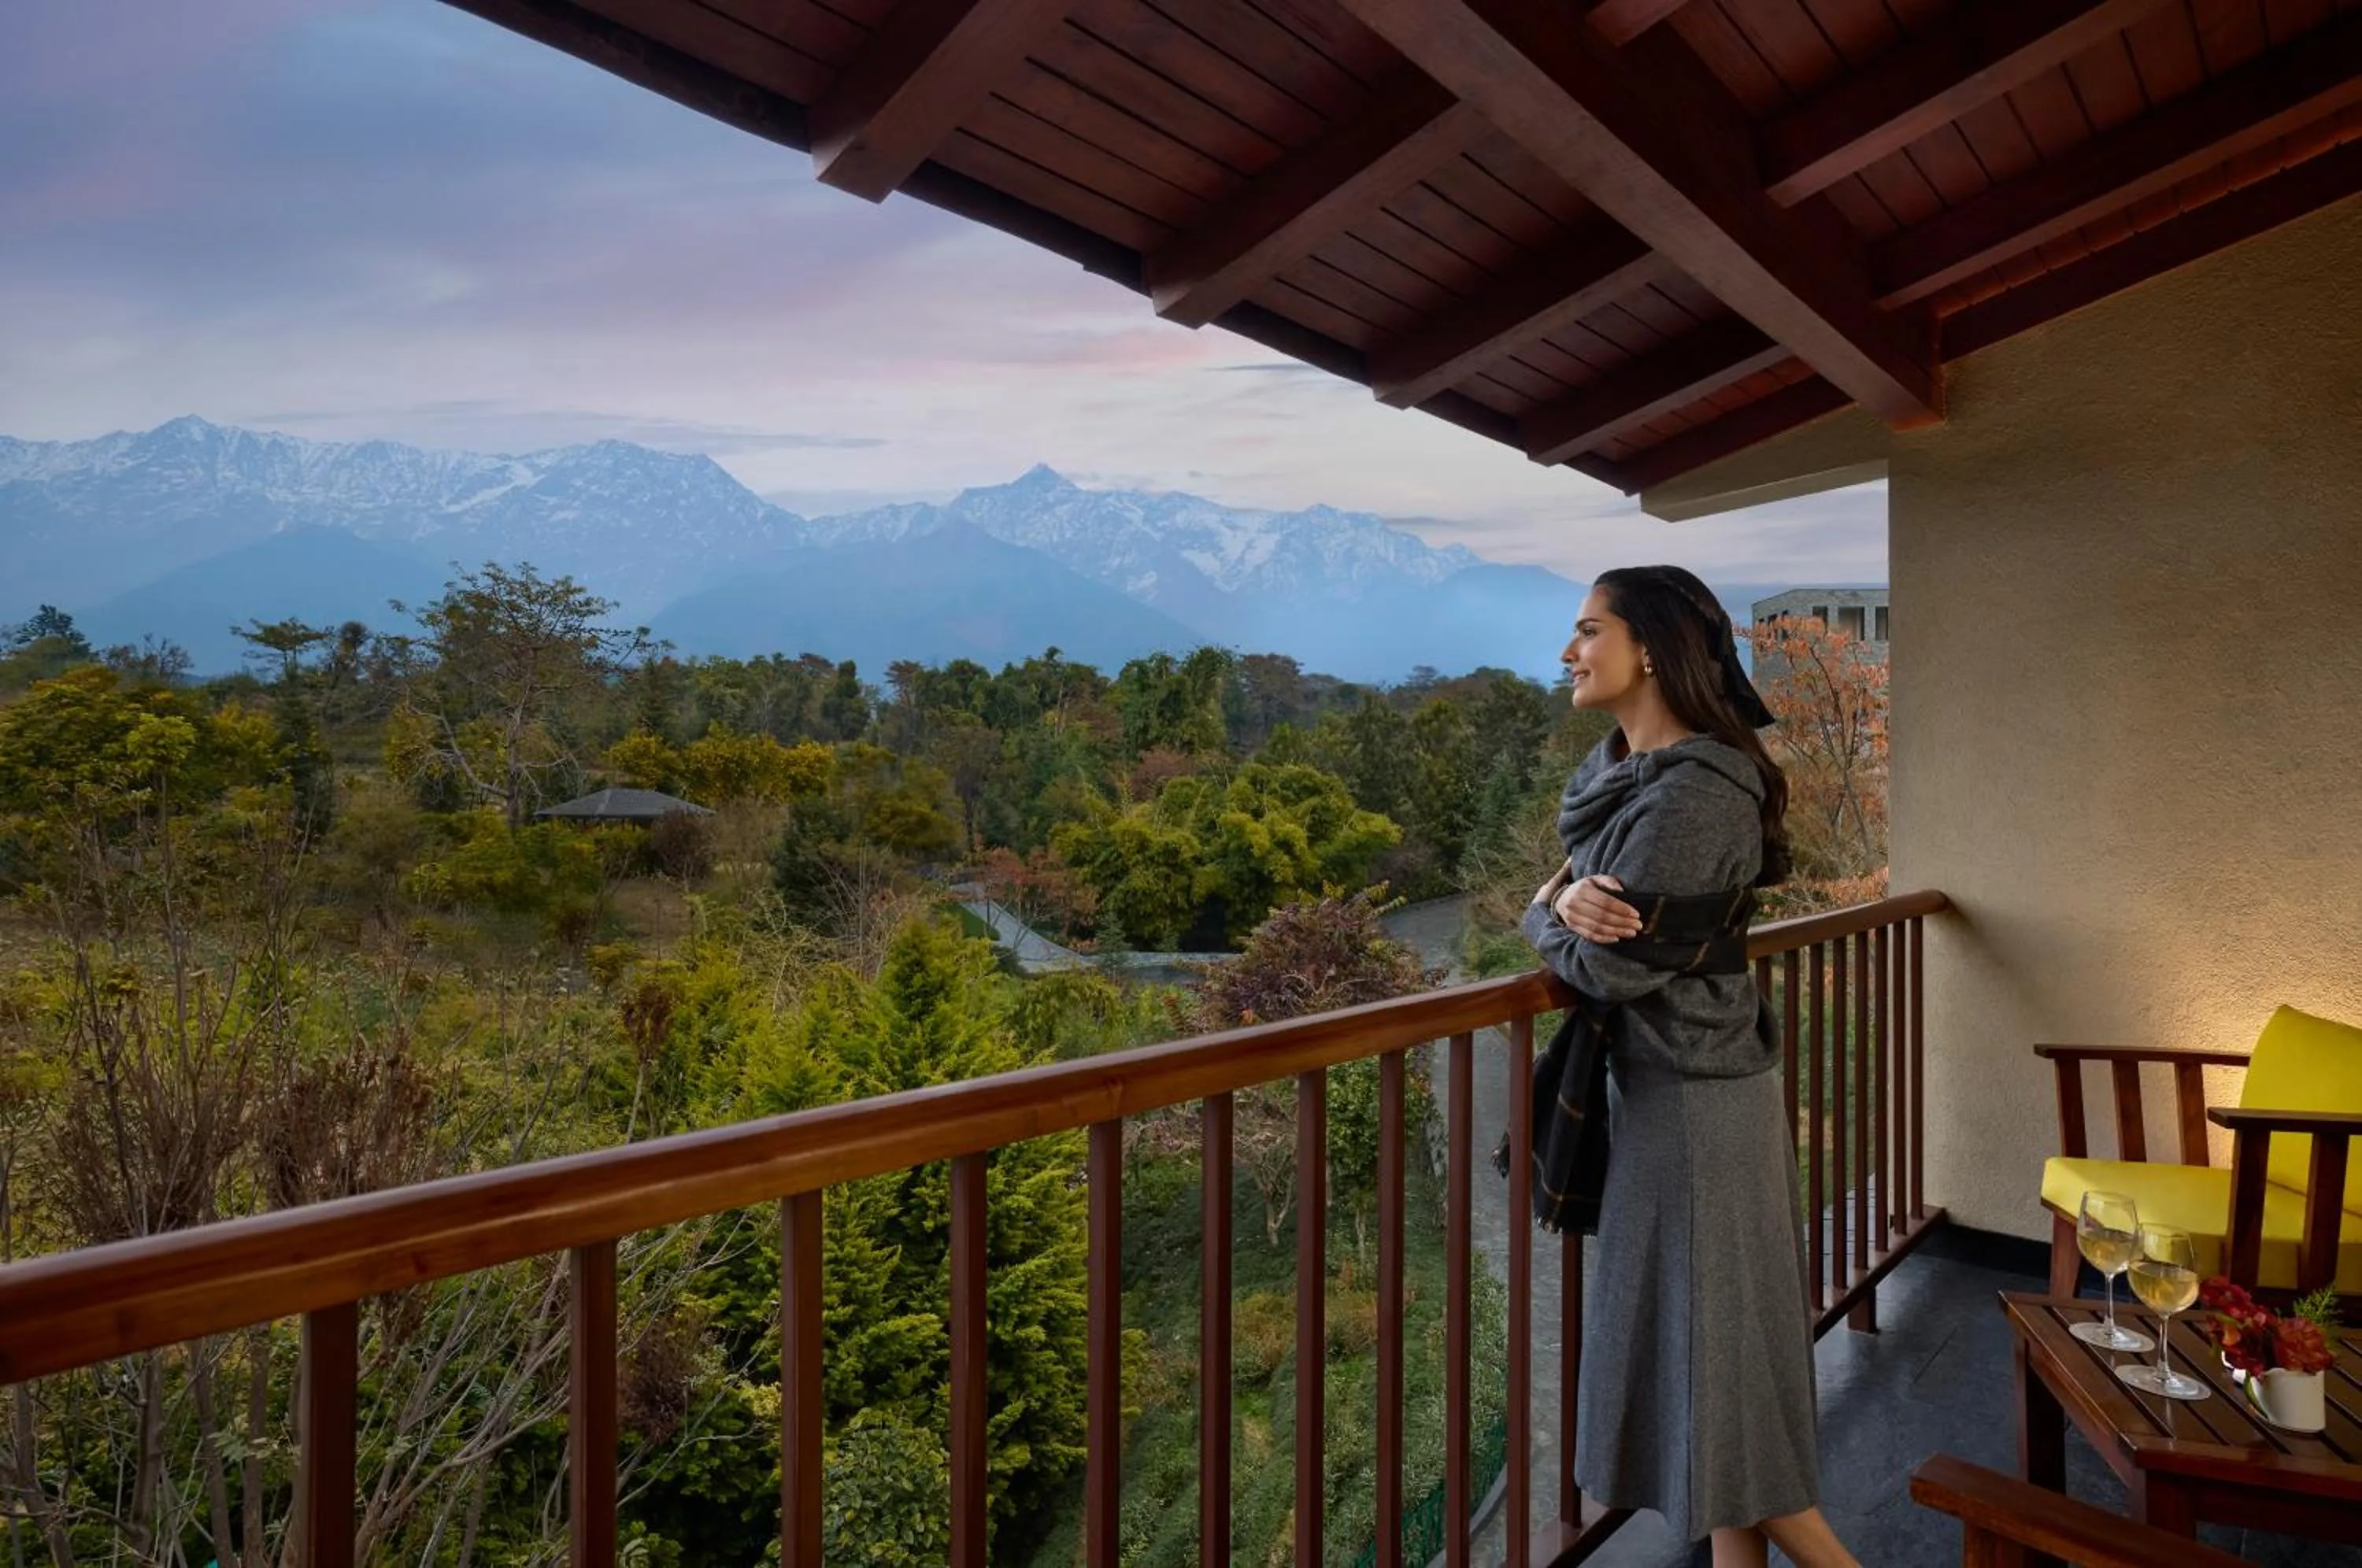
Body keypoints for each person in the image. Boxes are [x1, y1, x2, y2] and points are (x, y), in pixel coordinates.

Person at [1521, 565, 1855, 1568]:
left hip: (1697, 1117)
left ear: (1653, 648)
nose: (1568, 652)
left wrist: (1543, 912)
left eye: (1587, 631)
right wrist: (1566, 903)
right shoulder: (1626, 777)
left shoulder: (1702, 789)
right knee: (1713, 1388)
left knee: (1720, 1394)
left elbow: (1609, 968)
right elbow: (1598, 923)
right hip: (1673, 1105)